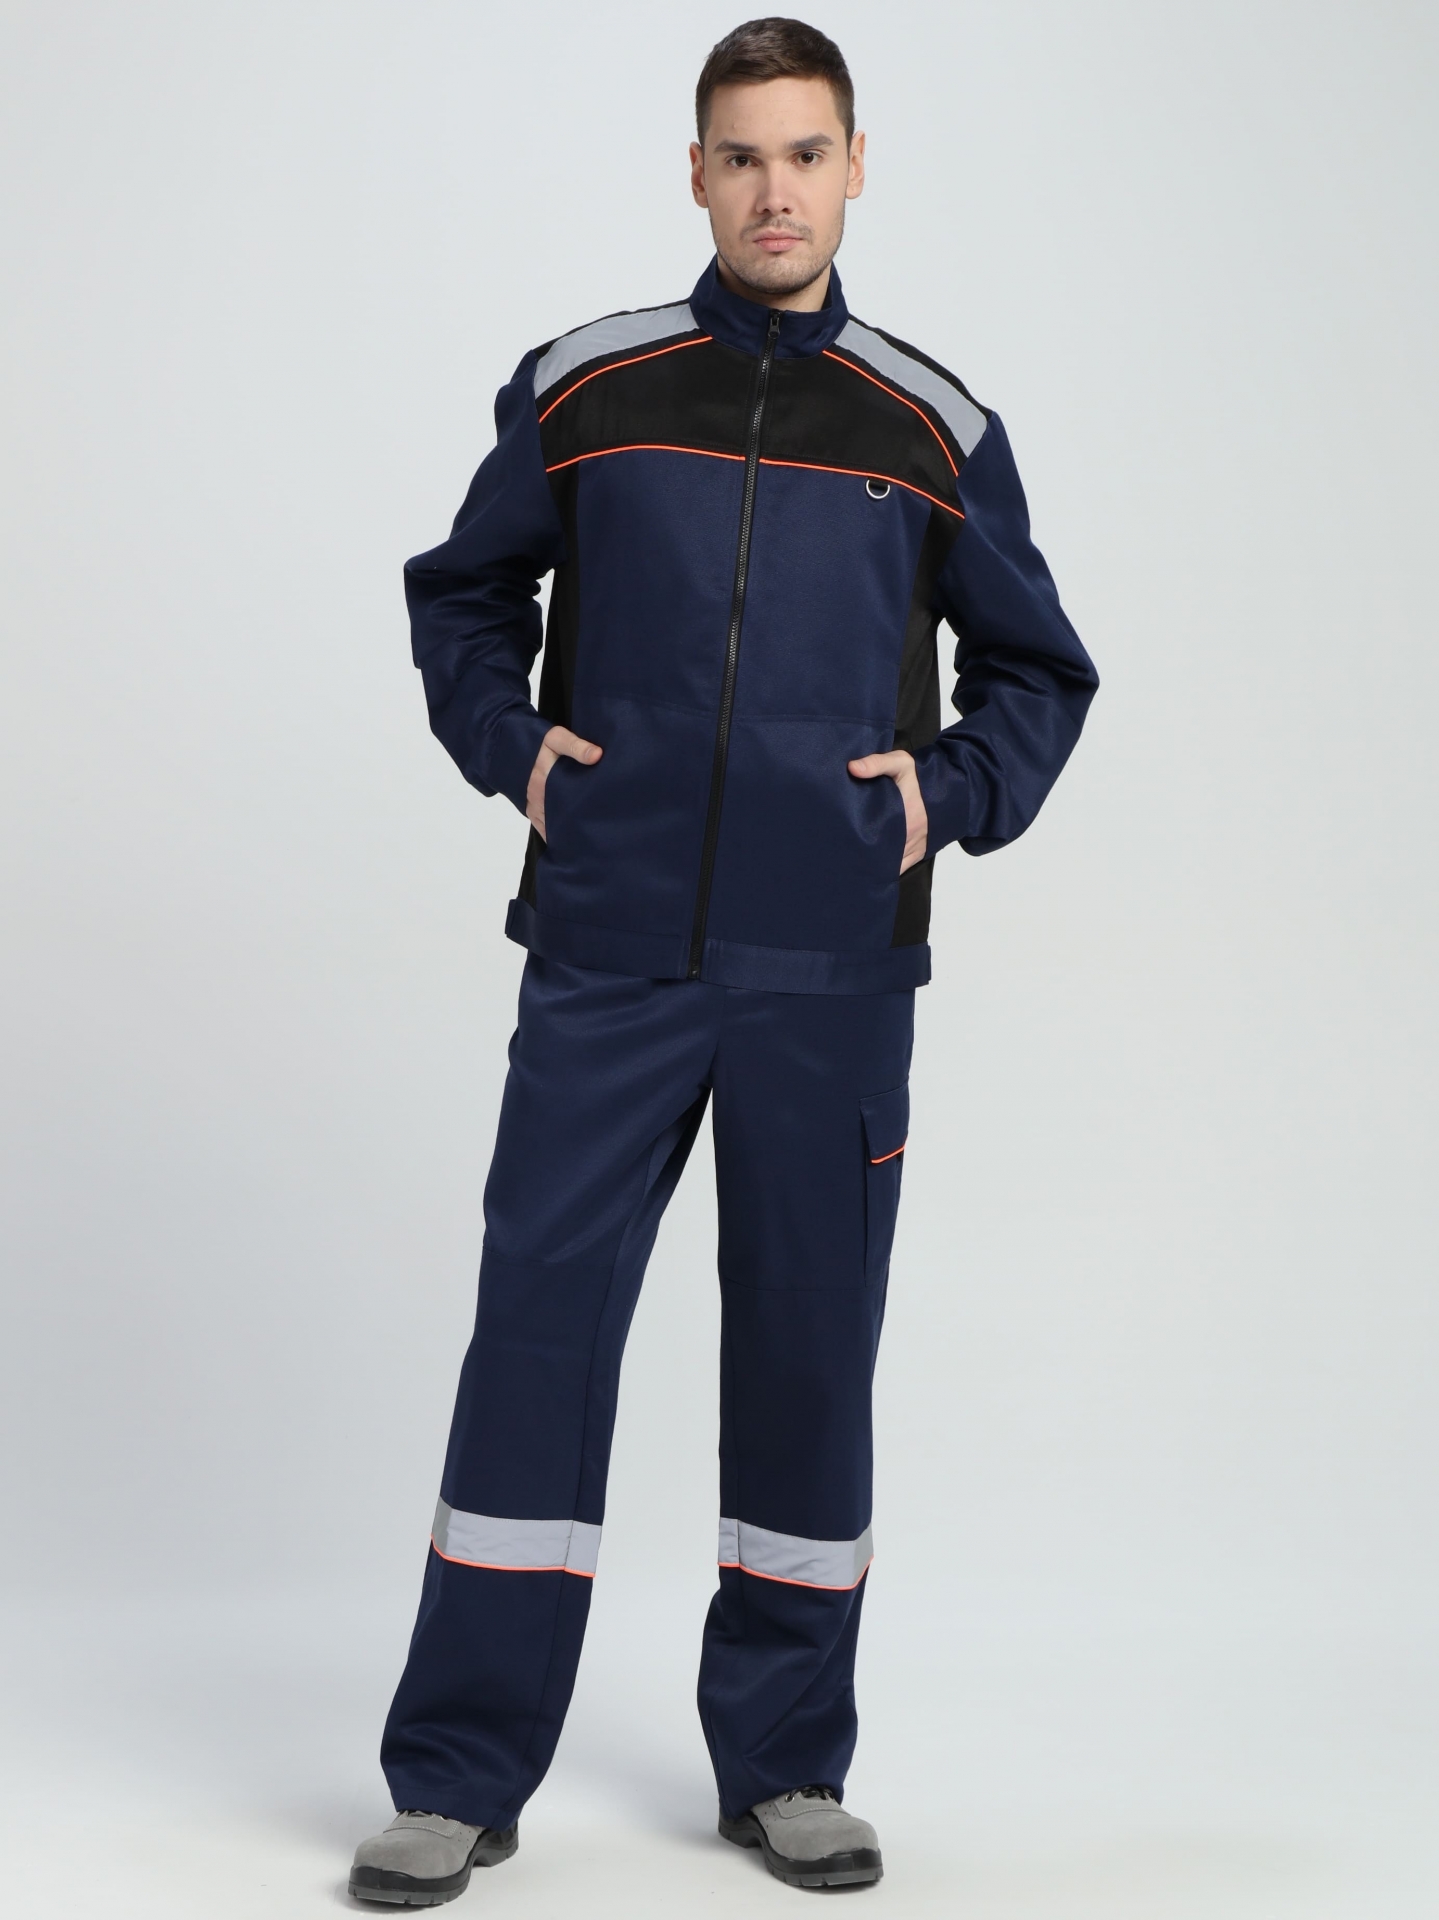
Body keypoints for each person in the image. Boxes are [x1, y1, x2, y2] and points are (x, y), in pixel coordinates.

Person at [349, 15, 1098, 1904]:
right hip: (605, 958)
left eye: (806, 155)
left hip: (828, 972)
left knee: (805, 1354)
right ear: (695, 174)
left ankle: (785, 1765)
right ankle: (457, 1773)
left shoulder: (934, 429)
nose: (776, 192)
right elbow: (460, 597)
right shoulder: (588, 388)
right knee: (537, 1333)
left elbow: (1039, 671)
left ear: (857, 169)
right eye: (743, 157)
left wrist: (939, 800)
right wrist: (518, 751)